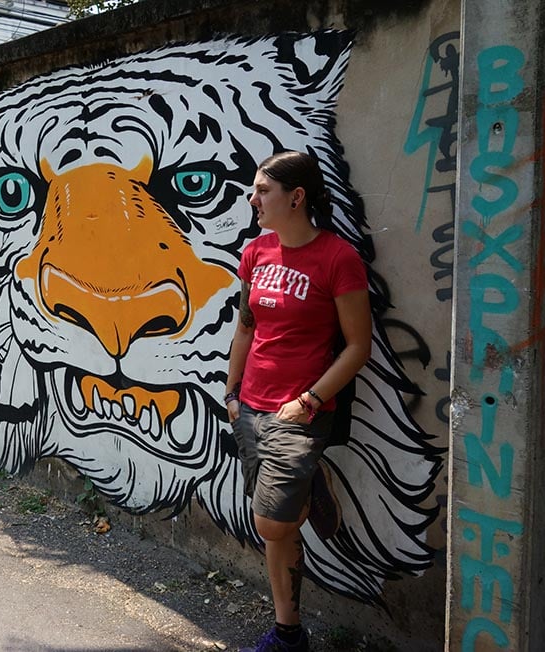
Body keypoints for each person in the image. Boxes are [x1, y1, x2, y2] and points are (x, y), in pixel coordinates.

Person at [226, 151, 372, 652]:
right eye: (254, 190)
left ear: (297, 196)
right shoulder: (256, 254)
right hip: (250, 404)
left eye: (262, 191)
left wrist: (309, 400)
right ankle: (289, 634)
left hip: (299, 411)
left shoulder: (338, 258)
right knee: (276, 531)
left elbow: (358, 346)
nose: (253, 200)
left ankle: (309, 480)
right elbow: (246, 328)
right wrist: (231, 392)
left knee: (271, 520)